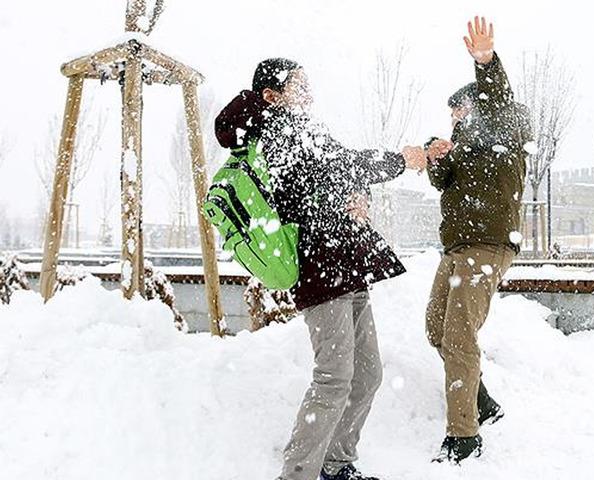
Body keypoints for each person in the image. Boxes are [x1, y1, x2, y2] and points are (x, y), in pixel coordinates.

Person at [215, 58, 427, 480]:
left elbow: (339, 170)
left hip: (348, 264)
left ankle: (337, 466)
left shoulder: (306, 130)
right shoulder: (274, 130)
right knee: (334, 377)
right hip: (320, 268)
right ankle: (297, 474)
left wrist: (359, 194)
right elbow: (333, 165)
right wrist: (399, 160)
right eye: (299, 86)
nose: (309, 93)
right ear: (273, 95)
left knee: (367, 374)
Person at [423, 16, 533, 463]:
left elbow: (498, 98)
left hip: (487, 246)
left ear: (479, 106)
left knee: (458, 336)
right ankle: (481, 400)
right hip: (457, 249)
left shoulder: (505, 128)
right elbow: (441, 182)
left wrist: (485, 61)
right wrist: (435, 154)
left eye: (460, 110)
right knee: (436, 329)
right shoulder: (463, 146)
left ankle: (463, 437)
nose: (455, 118)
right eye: (451, 114)